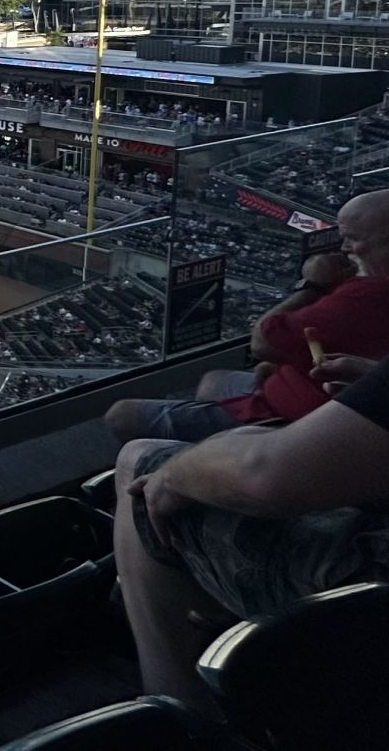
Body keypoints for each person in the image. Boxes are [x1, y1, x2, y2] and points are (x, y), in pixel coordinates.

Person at [116, 351, 389, 714]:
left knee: (140, 461)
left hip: (372, 597)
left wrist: (171, 477)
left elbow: (267, 476)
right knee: (237, 444)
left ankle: (183, 720)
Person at [108, 192, 389, 443]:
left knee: (121, 415)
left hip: (290, 422)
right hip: (302, 392)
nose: (343, 248)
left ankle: (191, 466)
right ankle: (202, 450)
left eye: (352, 238)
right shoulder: (365, 283)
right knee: (212, 380)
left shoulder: (368, 293)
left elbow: (263, 342)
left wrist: (313, 285)